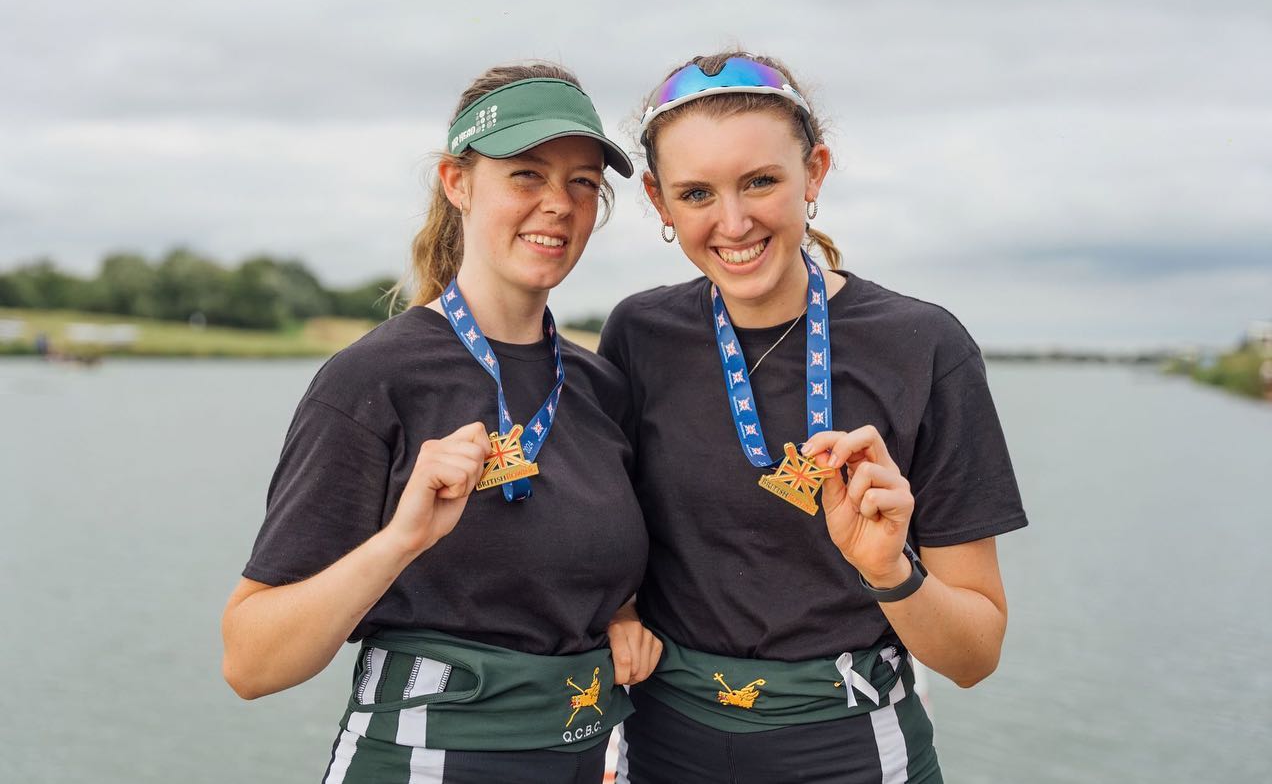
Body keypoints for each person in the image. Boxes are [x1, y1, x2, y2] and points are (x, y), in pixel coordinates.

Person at [222, 62, 661, 784]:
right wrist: (402, 541)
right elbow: (250, 661)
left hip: (583, 755)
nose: (559, 203)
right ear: (457, 183)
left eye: (583, 182)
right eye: (526, 174)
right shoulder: (373, 380)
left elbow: (574, 566)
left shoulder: (598, 385)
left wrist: (619, 613)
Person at [599, 52, 1029, 783]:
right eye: (697, 193)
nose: (733, 222)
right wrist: (619, 612)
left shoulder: (923, 346)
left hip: (855, 748)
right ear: (659, 201)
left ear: (816, 173)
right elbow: (608, 540)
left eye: (760, 181)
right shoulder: (638, 336)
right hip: (665, 742)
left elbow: (975, 656)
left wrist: (889, 570)